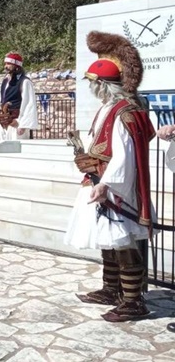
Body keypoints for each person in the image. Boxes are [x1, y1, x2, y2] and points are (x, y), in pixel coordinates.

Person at [64, 31, 155, 323]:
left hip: (118, 188)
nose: (93, 91)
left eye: (95, 85)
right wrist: (89, 161)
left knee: (124, 244)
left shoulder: (123, 111)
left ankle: (133, 302)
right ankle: (111, 289)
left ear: (103, 86)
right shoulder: (111, 108)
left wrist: (106, 184)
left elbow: (125, 156)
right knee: (110, 242)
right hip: (102, 181)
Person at [0, 52, 38, 141]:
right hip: (4, 122)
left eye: (8, 64)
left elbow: (29, 104)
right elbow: (0, 101)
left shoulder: (25, 82)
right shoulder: (5, 81)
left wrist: (22, 124)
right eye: (5, 63)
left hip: (16, 122)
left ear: (16, 66)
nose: (5, 66)